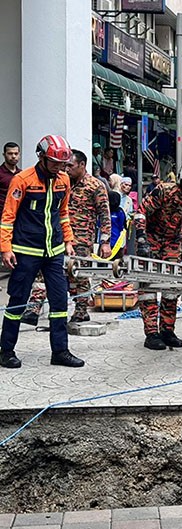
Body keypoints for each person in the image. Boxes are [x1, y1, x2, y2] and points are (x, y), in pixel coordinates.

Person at [0, 135, 84, 369]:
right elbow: (8, 217)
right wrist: (5, 248)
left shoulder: (64, 180)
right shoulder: (22, 180)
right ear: (42, 158)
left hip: (54, 251)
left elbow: (63, 212)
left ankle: (60, 351)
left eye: (62, 163)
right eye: (55, 163)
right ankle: (6, 350)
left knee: (59, 302)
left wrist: (68, 239)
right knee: (18, 301)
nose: (59, 167)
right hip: (26, 251)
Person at [22, 150, 112, 323]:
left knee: (79, 274)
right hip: (55, 235)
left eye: (70, 165)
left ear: (82, 165)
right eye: (65, 165)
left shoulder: (95, 186)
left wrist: (105, 241)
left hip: (82, 239)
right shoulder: (60, 182)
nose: (66, 169)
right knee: (44, 271)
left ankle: (81, 310)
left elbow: (104, 214)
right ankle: (33, 309)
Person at [134, 160, 182, 351]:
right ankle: (151, 333)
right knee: (148, 286)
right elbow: (141, 212)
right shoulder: (164, 191)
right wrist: (141, 239)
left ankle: (167, 329)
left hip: (173, 242)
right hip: (150, 237)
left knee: (172, 286)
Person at [0, 142, 21, 213]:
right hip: (2, 214)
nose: (13, 156)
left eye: (16, 153)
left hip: (18, 215)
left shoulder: (22, 174)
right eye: (10, 153)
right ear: (4, 155)